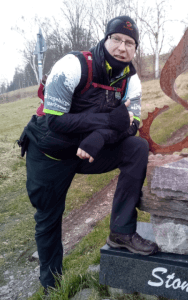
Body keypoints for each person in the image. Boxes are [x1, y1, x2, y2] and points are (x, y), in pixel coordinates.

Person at [25, 16, 158, 291]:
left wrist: (100, 137)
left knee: (137, 147)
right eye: (117, 39)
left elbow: (131, 125)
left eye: (130, 43)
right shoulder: (72, 66)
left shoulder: (131, 81)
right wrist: (109, 122)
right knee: (49, 218)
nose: (123, 47)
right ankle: (52, 287)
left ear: (136, 49)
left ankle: (121, 232)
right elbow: (56, 121)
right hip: (50, 152)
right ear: (105, 39)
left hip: (88, 151)